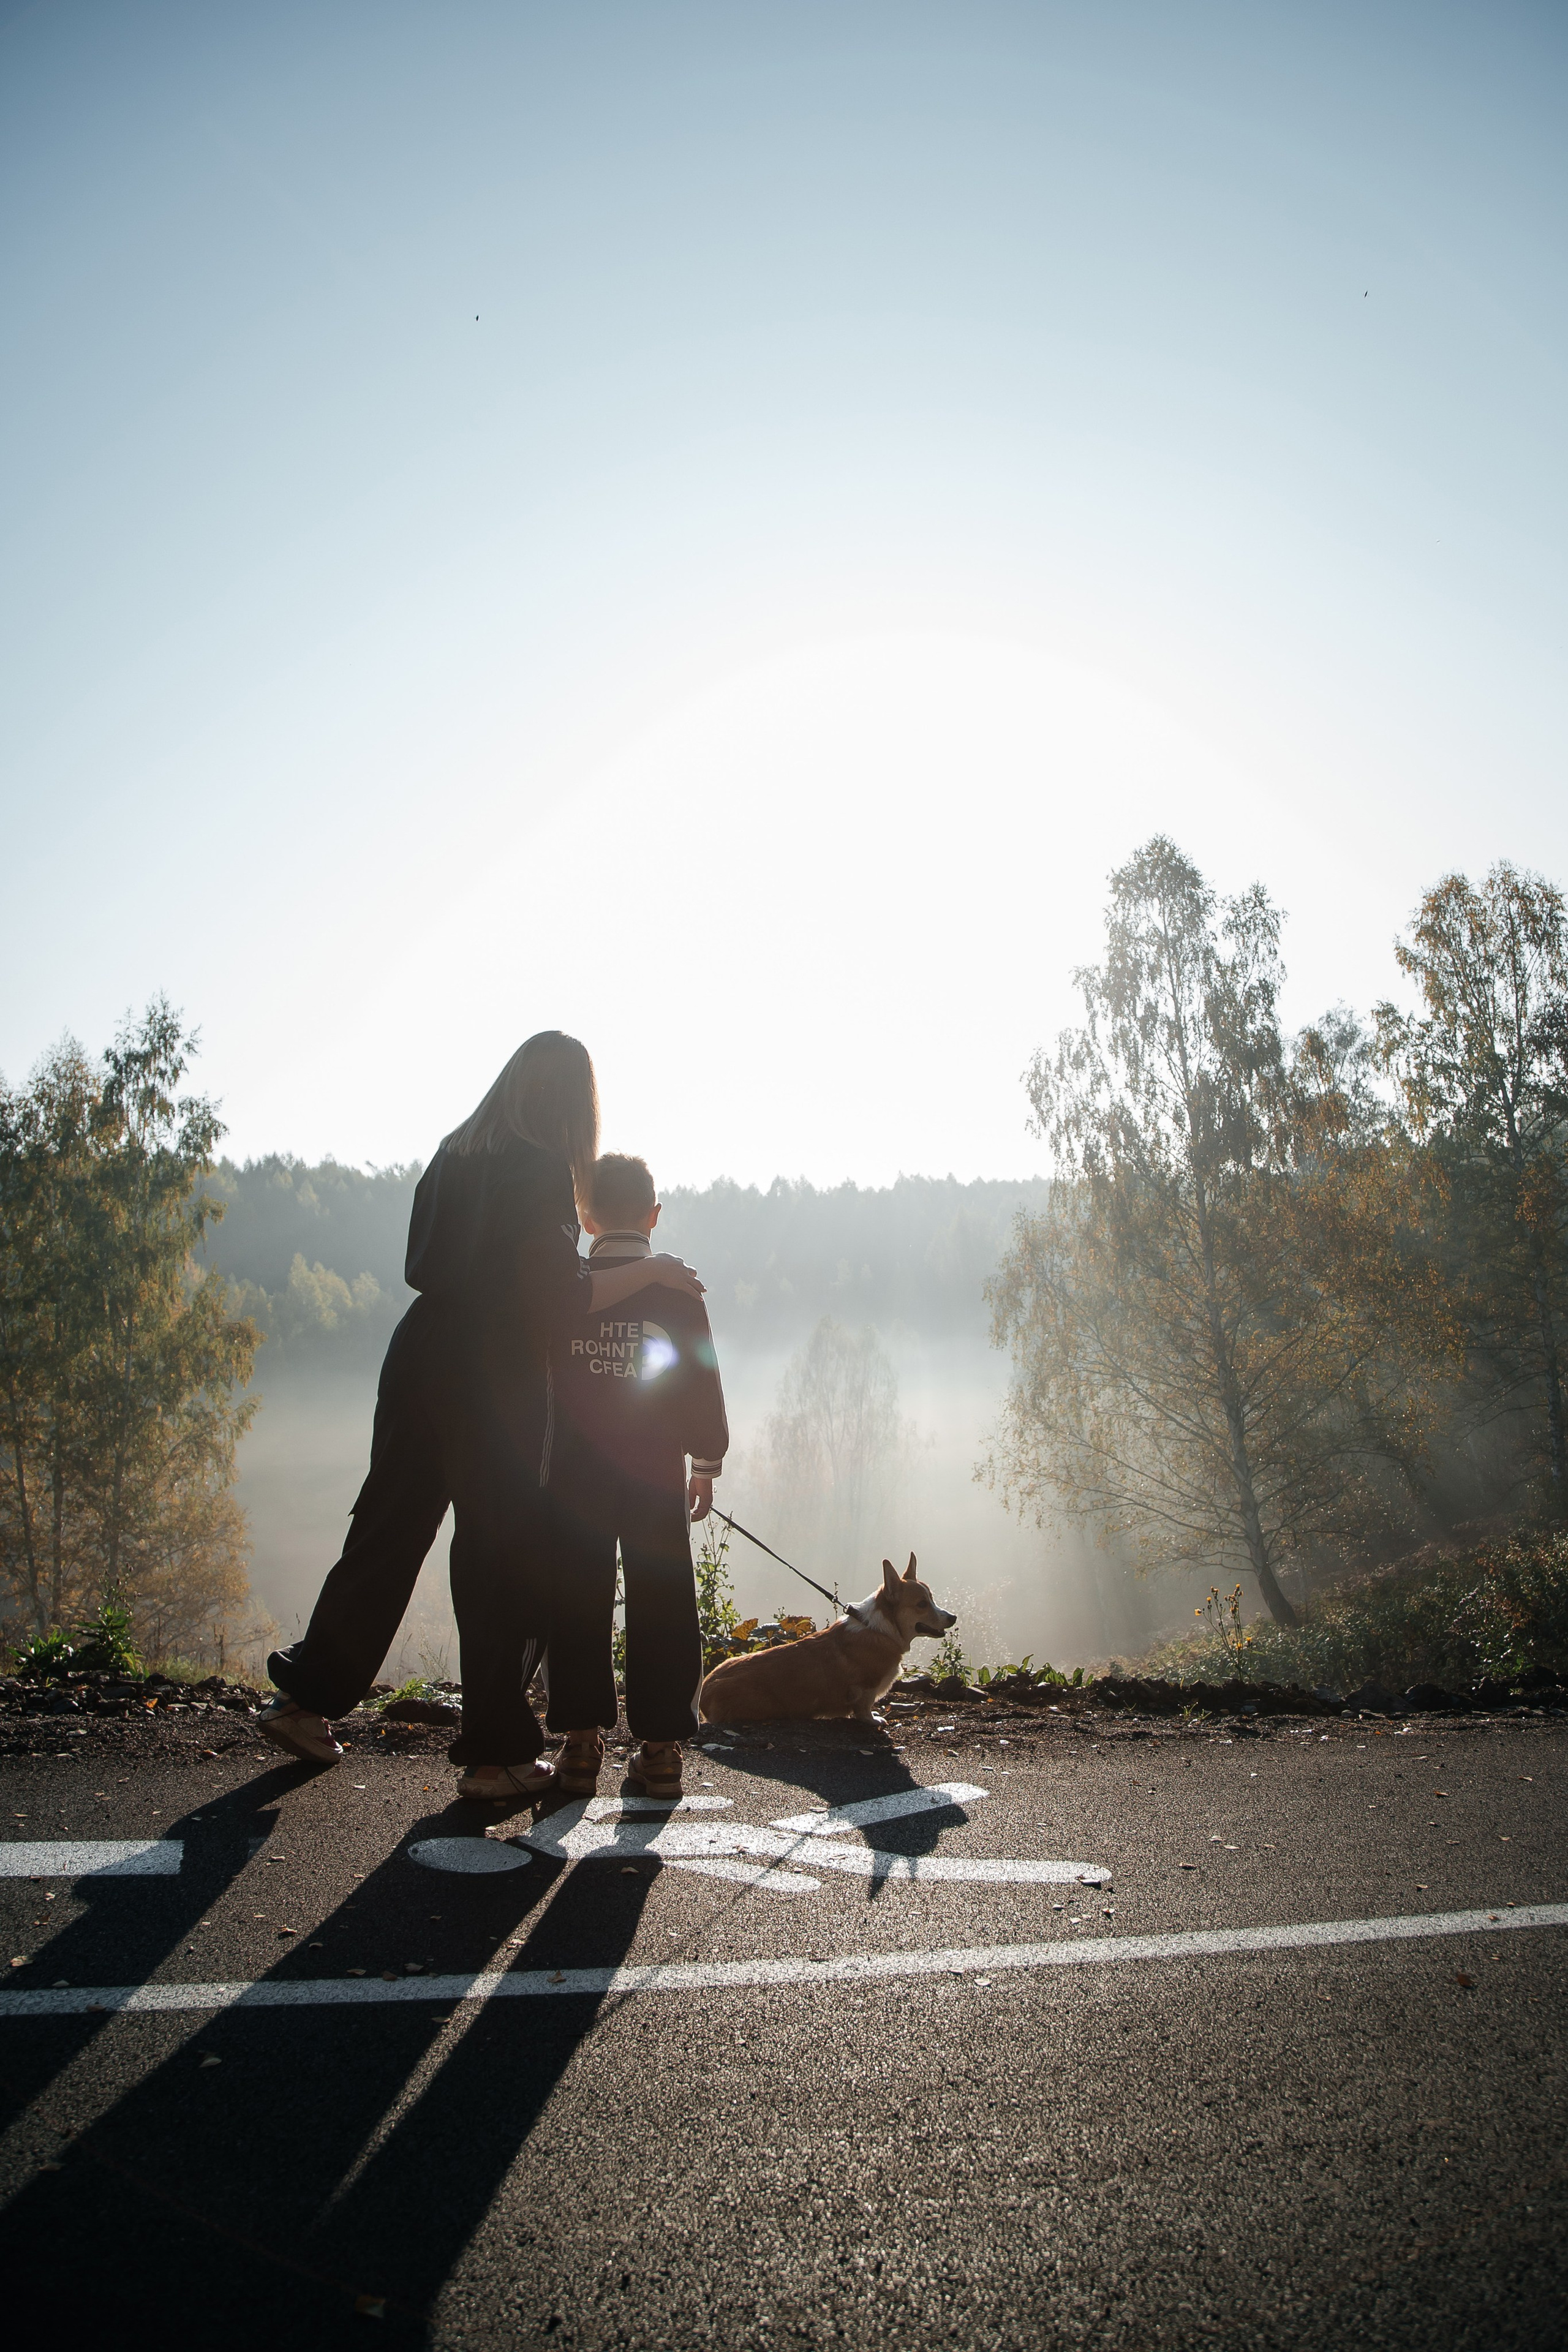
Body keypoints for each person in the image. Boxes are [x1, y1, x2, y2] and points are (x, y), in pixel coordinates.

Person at [258, 1035, 705, 1803]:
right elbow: (559, 1298)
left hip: (419, 1350)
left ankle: (307, 1699)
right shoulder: (537, 1169)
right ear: (573, 1106)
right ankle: (496, 1758)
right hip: (490, 1372)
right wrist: (655, 1270)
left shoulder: (452, 1152)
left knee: (387, 1530)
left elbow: (422, 1263)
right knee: (499, 1555)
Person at [544, 1152, 728, 1803]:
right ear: (654, 1214)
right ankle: (659, 1750)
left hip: (575, 1473)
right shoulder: (674, 1287)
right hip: (654, 1469)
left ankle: (580, 1743)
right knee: (664, 1598)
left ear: (585, 1216)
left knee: (576, 1597)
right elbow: (700, 1379)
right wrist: (706, 1460)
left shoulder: (569, 1284)